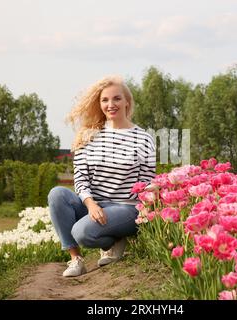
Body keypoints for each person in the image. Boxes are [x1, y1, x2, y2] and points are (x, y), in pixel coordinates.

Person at [48, 75, 156, 277]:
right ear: (99, 104)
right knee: (57, 195)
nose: (111, 104)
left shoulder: (143, 138)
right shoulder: (87, 136)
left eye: (116, 98)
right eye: (105, 100)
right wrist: (91, 204)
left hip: (126, 208)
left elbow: (146, 182)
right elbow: (80, 179)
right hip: (95, 206)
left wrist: (149, 207)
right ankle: (76, 260)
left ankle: (116, 238)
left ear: (127, 102)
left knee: (82, 232)